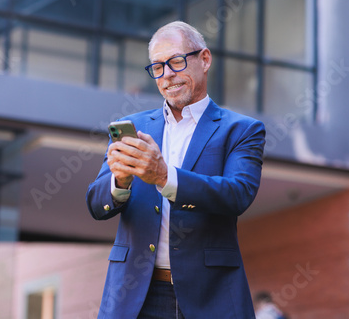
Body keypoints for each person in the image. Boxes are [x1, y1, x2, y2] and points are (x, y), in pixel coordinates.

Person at [86, 21, 266, 319]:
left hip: (210, 295)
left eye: (176, 62)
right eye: (157, 66)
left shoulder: (242, 130)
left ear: (204, 59)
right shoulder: (135, 127)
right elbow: (96, 204)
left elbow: (238, 195)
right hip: (135, 296)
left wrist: (164, 177)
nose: (167, 74)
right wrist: (120, 180)